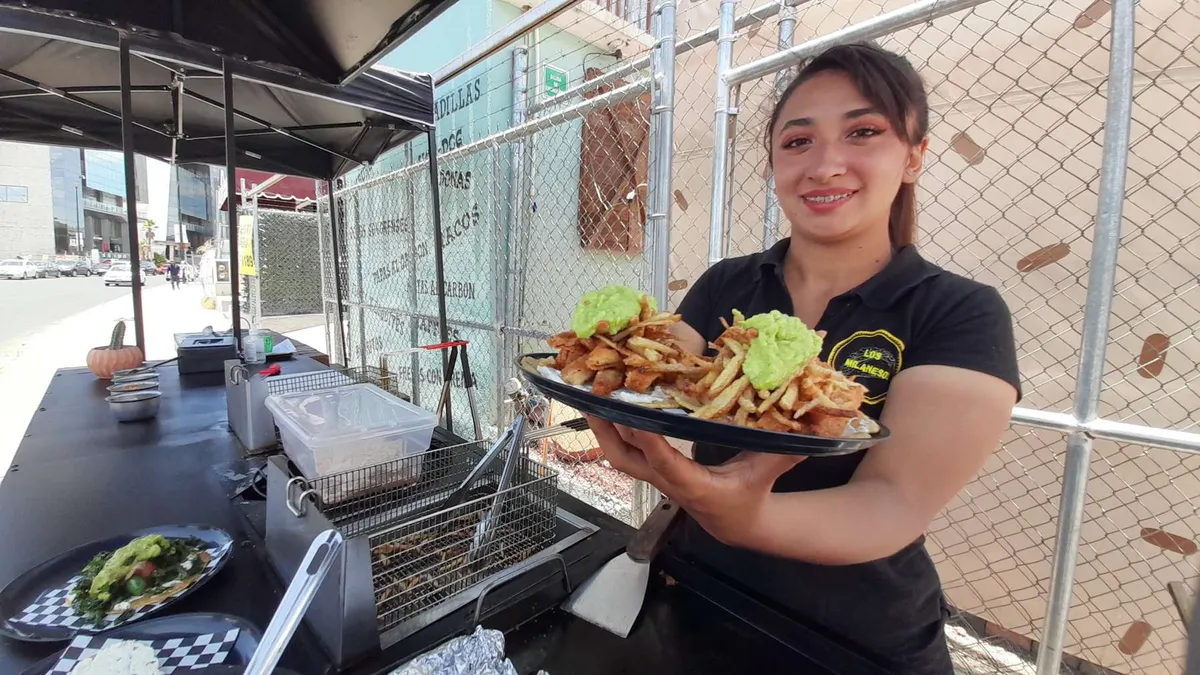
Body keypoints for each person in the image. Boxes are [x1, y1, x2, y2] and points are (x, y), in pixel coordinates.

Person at [586, 43, 1021, 674]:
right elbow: (656, 384)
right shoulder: (728, 286)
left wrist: (744, 517)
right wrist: (614, 379)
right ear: (773, 164)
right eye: (797, 142)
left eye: (863, 132)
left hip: (854, 641)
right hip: (699, 597)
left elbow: (892, 503)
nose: (825, 164)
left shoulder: (958, 313)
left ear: (914, 157)